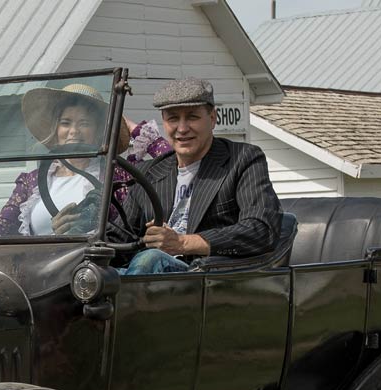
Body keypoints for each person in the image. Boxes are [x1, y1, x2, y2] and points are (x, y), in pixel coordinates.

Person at [108, 78, 281, 274]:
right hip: (149, 277)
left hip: (207, 277)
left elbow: (261, 229)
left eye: (192, 117)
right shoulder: (148, 172)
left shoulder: (243, 159)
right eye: (173, 119)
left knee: (151, 258)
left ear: (213, 118)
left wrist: (183, 243)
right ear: (164, 121)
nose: (182, 129)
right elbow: (119, 238)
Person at [0, 84, 171, 238]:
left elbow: (170, 160)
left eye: (84, 123)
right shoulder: (31, 182)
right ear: (55, 129)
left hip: (92, 273)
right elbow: (0, 227)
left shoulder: (119, 176)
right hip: (37, 272)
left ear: (99, 131)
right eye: (65, 123)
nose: (73, 131)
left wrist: (129, 125)